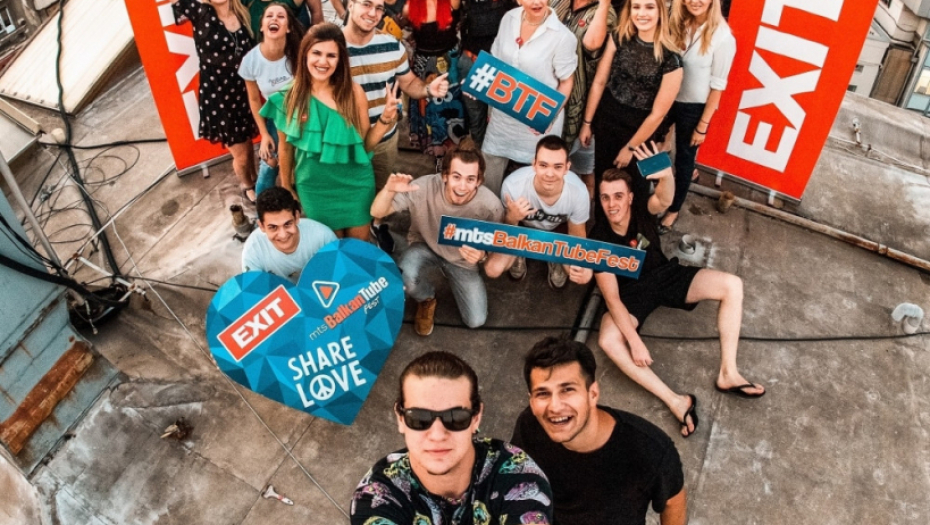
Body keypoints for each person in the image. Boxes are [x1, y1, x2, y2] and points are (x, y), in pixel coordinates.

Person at [591, 143, 765, 438]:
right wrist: (634, 341)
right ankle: (675, 401)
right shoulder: (599, 238)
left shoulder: (642, 209)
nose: (612, 204)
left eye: (618, 196)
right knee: (608, 340)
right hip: (632, 295)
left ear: (630, 197)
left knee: (732, 285)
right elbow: (612, 298)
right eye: (605, 197)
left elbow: (665, 198)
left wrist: (666, 174)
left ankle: (729, 373)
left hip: (664, 275)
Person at [351, 351, 554, 525]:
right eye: (419, 418)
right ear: (401, 418)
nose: (437, 435)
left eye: (456, 418)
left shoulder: (520, 476)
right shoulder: (376, 497)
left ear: (476, 417)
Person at [511, 337, 687, 525]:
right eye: (543, 393)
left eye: (567, 390)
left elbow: (673, 502)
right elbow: (515, 472)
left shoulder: (650, 450)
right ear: (532, 401)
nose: (554, 407)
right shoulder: (529, 425)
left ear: (593, 394)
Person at [261, 23, 399, 240]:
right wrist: (287, 186)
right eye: (316, 53)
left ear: (340, 59)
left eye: (331, 55)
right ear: (305, 54)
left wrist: (385, 119)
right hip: (314, 189)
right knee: (331, 249)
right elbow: (285, 149)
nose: (323, 61)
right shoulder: (288, 97)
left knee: (356, 250)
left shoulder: (354, 92)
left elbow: (365, 146)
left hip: (356, 186)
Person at [342, 0, 451, 251]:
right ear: (350, 4)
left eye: (379, 8)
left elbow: (408, 82)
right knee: (349, 195)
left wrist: (428, 89)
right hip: (344, 141)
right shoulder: (331, 46)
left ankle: (377, 224)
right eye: (366, 4)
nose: (373, 13)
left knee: (382, 189)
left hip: (384, 139)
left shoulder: (392, 45)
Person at [370, 139, 505, 335]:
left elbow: (499, 245)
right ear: (444, 176)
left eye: (470, 179)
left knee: (476, 320)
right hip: (425, 245)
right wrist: (388, 190)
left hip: (461, 261)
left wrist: (483, 256)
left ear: (479, 181)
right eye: (456, 177)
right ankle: (426, 298)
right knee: (406, 277)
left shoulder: (491, 206)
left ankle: (445, 272)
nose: (462, 186)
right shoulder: (422, 187)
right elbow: (377, 211)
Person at [579, 0, 681, 202]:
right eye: (636, 7)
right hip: (607, 122)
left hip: (641, 132)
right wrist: (587, 123)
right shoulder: (618, 37)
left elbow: (658, 114)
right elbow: (599, 82)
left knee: (635, 189)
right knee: (603, 182)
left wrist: (631, 148)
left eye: (649, 7)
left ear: (660, 11)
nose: (642, 13)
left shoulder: (671, 59)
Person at [480, 0, 577, 196]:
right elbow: (495, 63)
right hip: (503, 119)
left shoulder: (563, 36)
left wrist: (550, 114)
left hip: (537, 123)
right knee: (490, 175)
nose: (536, 2)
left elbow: (567, 81)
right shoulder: (508, 19)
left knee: (535, 183)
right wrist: (479, 84)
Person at [659, 0, 735, 234]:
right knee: (655, 145)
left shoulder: (723, 37)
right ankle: (658, 189)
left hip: (693, 108)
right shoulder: (678, 21)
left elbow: (717, 88)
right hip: (667, 97)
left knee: (684, 159)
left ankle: (674, 209)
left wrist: (702, 126)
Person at [173, 0, 259, 202]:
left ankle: (255, 179)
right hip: (219, 96)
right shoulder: (201, 13)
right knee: (240, 153)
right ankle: (247, 186)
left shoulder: (243, 12)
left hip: (244, 90)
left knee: (248, 143)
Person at [500, 135, 592, 288]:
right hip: (523, 228)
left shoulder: (579, 192)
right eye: (543, 165)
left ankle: (558, 257)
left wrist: (575, 263)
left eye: (557, 167)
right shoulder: (513, 186)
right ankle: (517, 251)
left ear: (567, 168)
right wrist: (512, 218)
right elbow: (503, 230)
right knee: (496, 266)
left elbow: (577, 236)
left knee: (576, 270)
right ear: (534, 164)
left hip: (558, 230)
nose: (550, 174)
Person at [551, 0, 616, 201]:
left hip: (581, 105)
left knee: (584, 170)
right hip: (550, 94)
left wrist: (604, 4)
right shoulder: (558, 2)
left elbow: (591, 44)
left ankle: (583, 215)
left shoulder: (606, 13)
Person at [240, 3, 306, 197]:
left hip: (303, 114)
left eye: (281, 16)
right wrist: (264, 135)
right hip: (276, 118)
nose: (274, 19)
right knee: (269, 162)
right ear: (261, 26)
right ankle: (262, 208)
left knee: (303, 163)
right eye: (269, 16)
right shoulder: (250, 61)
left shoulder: (299, 53)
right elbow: (254, 100)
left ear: (289, 27)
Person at [405, 0, 466, 168]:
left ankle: (454, 154)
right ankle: (438, 155)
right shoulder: (409, 7)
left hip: (449, 64)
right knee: (429, 111)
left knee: (452, 110)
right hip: (424, 66)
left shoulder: (451, 2)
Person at [242, 187, 337, 281]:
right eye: (273, 227)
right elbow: (254, 288)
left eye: (287, 224)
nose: (283, 235)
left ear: (297, 217)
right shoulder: (253, 251)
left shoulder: (324, 237)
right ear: (261, 226)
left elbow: (339, 273)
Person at [457, 0, 516, 146]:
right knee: (476, 119)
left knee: (501, 119)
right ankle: (478, 156)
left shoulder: (510, 5)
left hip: (499, 66)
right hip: (472, 61)